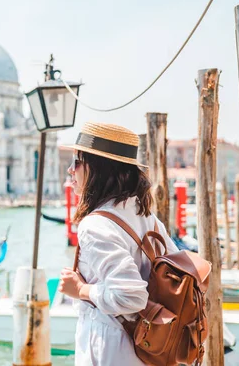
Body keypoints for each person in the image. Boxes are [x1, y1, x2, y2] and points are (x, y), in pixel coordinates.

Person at [57, 122, 179, 366]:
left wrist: (80, 290)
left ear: (99, 169)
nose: (71, 170)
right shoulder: (148, 219)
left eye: (77, 162)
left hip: (113, 349)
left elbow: (130, 296)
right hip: (147, 350)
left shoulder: (95, 225)